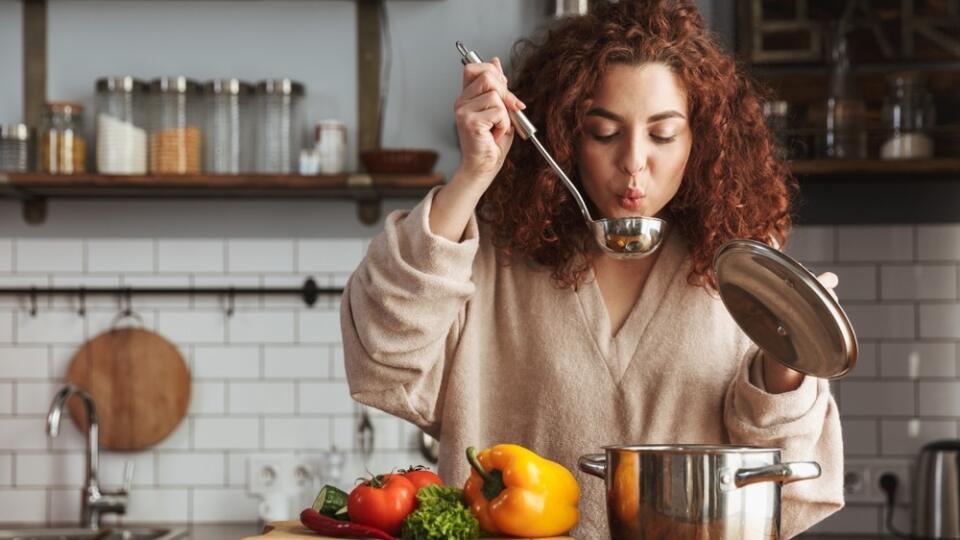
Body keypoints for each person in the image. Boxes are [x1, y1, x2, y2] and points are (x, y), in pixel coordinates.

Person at [340, 0, 843, 537]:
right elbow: (383, 360)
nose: (633, 161)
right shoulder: (490, 258)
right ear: (564, 136)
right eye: (603, 132)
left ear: (702, 141)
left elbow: (783, 484)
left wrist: (788, 359)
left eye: (663, 135)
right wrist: (472, 175)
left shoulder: (743, 272)